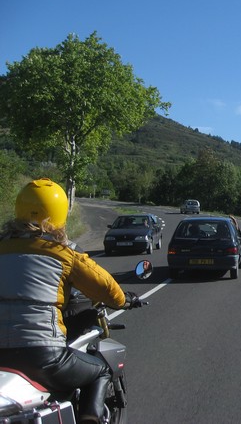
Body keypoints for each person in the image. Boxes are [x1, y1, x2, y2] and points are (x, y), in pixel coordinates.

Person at [0, 178, 142, 424]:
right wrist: (124, 300)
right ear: (59, 213)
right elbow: (107, 288)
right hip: (43, 355)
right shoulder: (64, 254)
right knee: (101, 369)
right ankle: (90, 418)